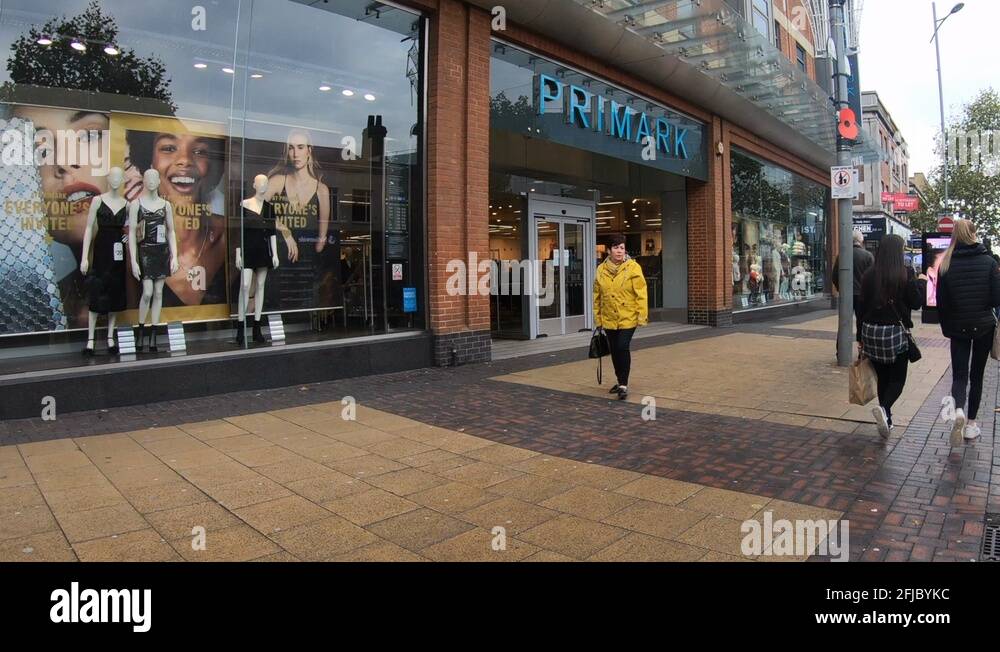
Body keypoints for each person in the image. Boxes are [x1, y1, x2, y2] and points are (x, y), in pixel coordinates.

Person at [936, 219, 1000, 444]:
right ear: (974, 234)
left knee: (959, 375)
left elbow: (941, 303)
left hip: (957, 326)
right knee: (977, 375)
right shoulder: (989, 262)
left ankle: (959, 411)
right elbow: (996, 298)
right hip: (983, 326)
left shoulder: (946, 263)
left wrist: (947, 328)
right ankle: (971, 424)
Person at [858, 234, 925, 439]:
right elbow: (916, 303)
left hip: (871, 333)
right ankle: (885, 409)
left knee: (883, 377)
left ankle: (886, 418)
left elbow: (861, 308)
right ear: (898, 252)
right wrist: (921, 283)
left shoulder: (869, 275)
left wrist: (860, 336)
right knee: (897, 380)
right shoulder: (905, 274)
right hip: (895, 335)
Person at [593, 234, 648, 400]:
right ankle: (619, 380)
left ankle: (623, 384)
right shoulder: (601, 270)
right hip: (609, 317)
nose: (619, 251)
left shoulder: (633, 267)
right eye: (616, 248)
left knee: (623, 346)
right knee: (615, 350)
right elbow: (597, 296)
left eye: (622, 248)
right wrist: (598, 319)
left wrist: (641, 316)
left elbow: (641, 293)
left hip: (628, 316)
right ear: (609, 250)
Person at [833, 230, 874, 346]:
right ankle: (862, 351)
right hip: (863, 295)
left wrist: (840, 289)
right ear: (861, 241)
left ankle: (840, 351)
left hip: (846, 294)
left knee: (844, 323)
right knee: (862, 323)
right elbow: (873, 277)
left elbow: (834, 275)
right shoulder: (868, 256)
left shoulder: (842, 255)